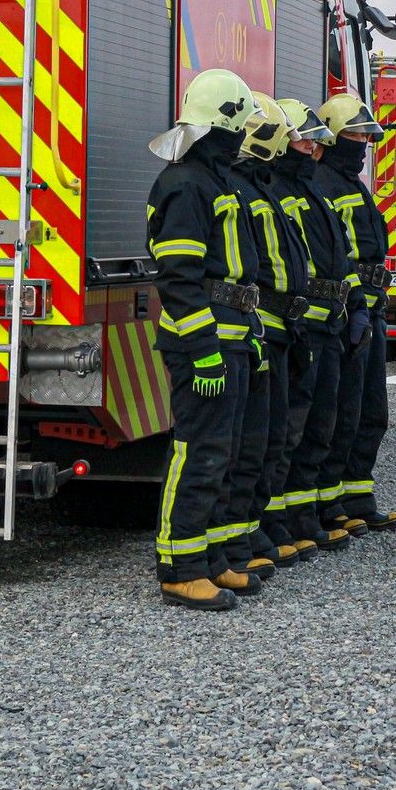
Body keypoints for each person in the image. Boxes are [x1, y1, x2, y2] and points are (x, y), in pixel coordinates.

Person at [145, 69, 266, 611]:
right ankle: (180, 568)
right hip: (204, 340)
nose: (244, 136)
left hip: (230, 334)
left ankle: (212, 556)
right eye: (239, 125)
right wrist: (204, 349)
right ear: (222, 123)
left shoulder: (213, 179)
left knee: (226, 452)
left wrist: (248, 335)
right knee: (197, 452)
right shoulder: (187, 184)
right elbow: (179, 278)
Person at [224, 95, 307, 581]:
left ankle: (249, 528)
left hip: (276, 328)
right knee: (245, 442)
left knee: (268, 437)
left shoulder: (263, 188)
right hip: (259, 328)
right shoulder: (242, 190)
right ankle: (235, 535)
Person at [314, 93, 396, 534]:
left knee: (371, 412)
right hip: (352, 309)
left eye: (367, 135)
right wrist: (355, 309)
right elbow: (335, 257)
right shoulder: (324, 185)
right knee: (340, 413)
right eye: (355, 134)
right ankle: (328, 504)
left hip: (371, 306)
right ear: (333, 137)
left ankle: (356, 496)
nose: (364, 143)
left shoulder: (351, 184)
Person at [270, 101, 354, 557]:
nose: (313, 149)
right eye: (305, 141)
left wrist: (351, 308)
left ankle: (301, 518)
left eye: (317, 141)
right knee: (289, 431)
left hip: (327, 325)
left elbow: (339, 258)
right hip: (303, 327)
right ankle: (281, 522)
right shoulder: (285, 192)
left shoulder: (312, 190)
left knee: (318, 425)